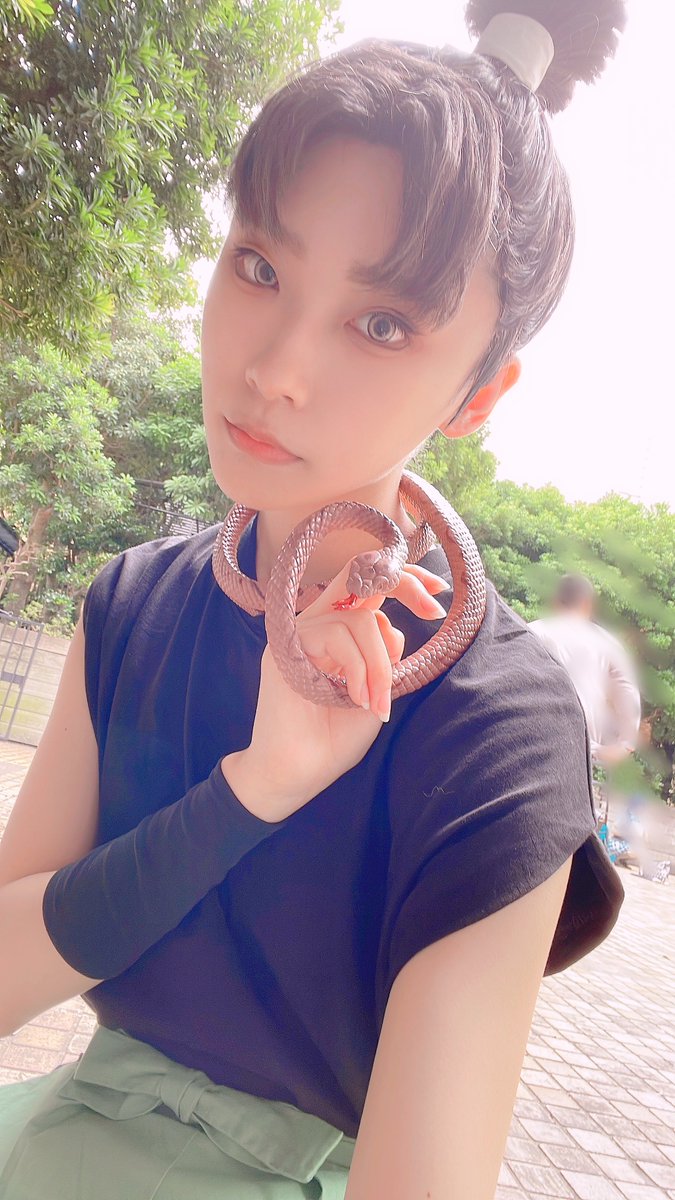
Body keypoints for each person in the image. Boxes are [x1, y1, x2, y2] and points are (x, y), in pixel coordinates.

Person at [0, 2, 627, 1197]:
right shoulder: (132, 605)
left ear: (478, 396)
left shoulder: (500, 731)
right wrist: (249, 793)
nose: (274, 368)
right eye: (260, 266)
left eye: (382, 324)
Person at [530, 573, 641, 768]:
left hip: (532, 742)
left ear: (555, 602)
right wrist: (625, 744)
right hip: (582, 752)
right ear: (587, 605)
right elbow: (628, 695)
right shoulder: (608, 643)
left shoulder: (531, 632)